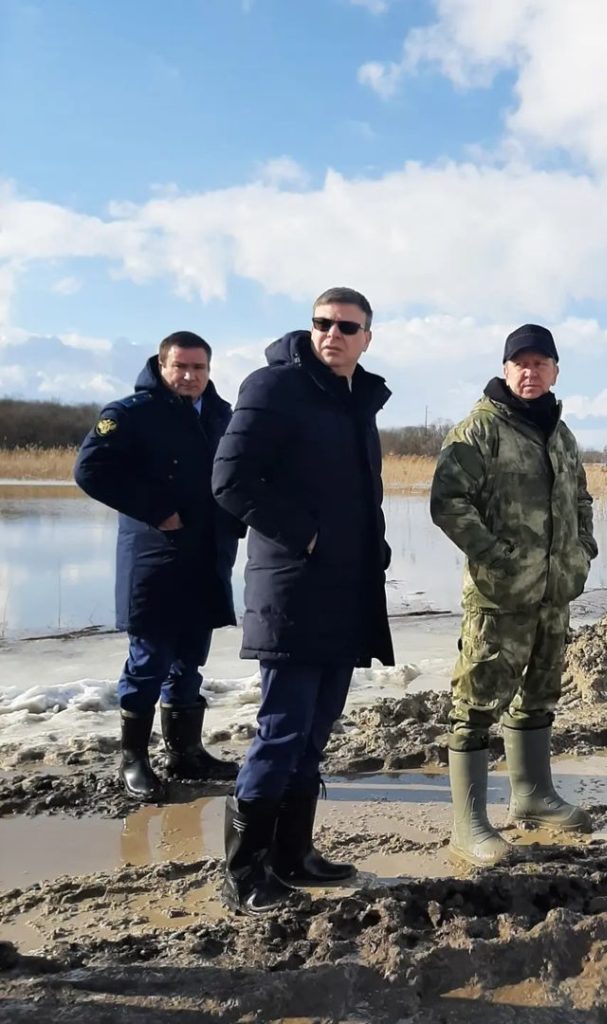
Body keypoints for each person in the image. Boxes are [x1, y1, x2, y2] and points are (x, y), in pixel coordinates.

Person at [212, 286, 394, 915]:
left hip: (344, 592)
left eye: (347, 326)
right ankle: (244, 871)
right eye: (323, 323)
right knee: (282, 729)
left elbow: (361, 495)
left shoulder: (357, 403)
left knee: (315, 732)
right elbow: (230, 482)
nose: (333, 334)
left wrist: (378, 550)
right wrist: (308, 534)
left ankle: (293, 854)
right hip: (290, 588)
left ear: (367, 337)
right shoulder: (273, 388)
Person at [430, 323, 598, 867]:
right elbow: (449, 503)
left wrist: (583, 548)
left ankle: (532, 796)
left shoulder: (560, 432)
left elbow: (580, 499)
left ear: (554, 370)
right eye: (520, 363)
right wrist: (497, 555)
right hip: (500, 596)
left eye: (540, 363)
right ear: (506, 370)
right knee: (476, 703)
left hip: (554, 591)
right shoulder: (479, 431)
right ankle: (469, 824)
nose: (530, 372)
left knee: (540, 694)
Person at [73, 331, 241, 802]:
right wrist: (157, 510)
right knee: (149, 660)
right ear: (161, 366)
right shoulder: (131, 414)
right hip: (155, 557)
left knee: (190, 659)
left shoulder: (221, 415)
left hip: (207, 555)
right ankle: (135, 760)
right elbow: (89, 470)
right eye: (180, 367)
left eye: (199, 368)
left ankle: (185, 751)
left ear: (209, 370)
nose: (189, 377)